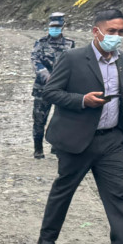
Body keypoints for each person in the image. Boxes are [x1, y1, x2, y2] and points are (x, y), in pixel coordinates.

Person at [37, 8, 123, 244]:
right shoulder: (73, 58)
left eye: (121, 32)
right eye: (111, 31)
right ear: (96, 31)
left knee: (118, 194)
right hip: (77, 139)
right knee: (64, 189)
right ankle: (47, 237)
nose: (117, 36)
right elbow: (50, 92)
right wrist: (82, 100)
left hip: (111, 140)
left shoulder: (121, 59)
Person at [30, 13, 75, 158]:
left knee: (61, 119)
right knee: (39, 118)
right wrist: (47, 77)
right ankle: (38, 148)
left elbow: (73, 64)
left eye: (57, 26)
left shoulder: (69, 44)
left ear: (62, 27)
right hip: (43, 88)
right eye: (52, 26)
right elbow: (35, 61)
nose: (54, 29)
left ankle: (57, 146)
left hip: (62, 88)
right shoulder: (41, 43)